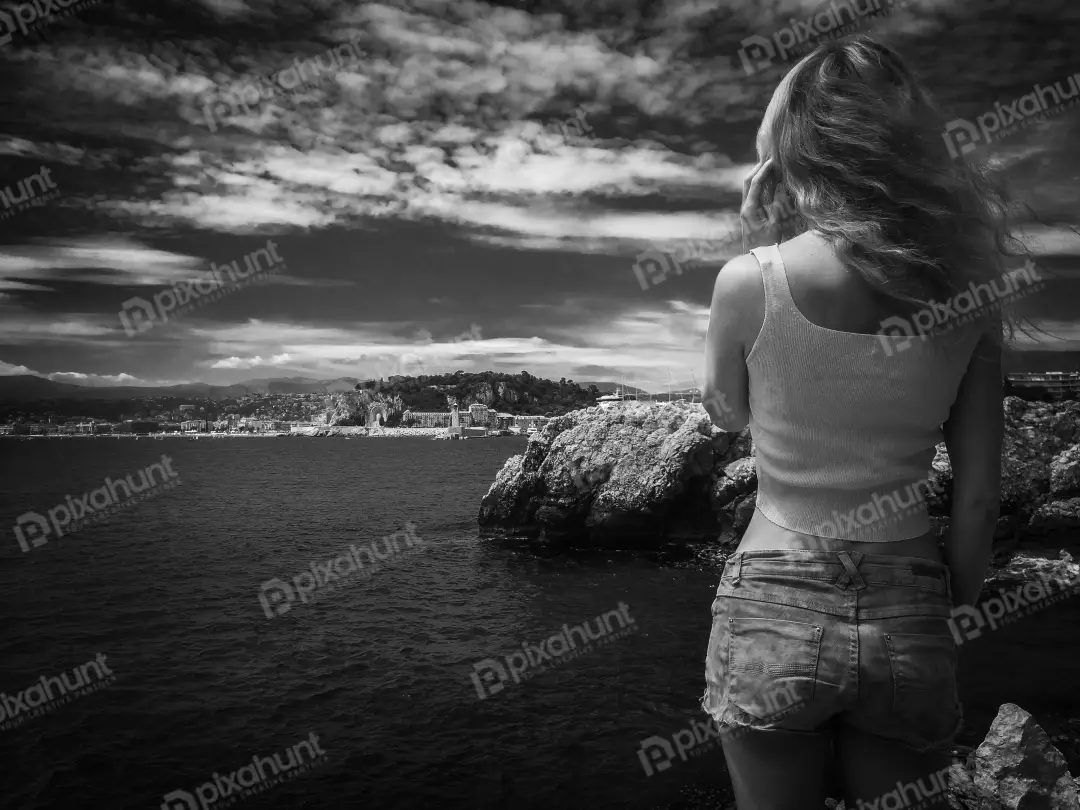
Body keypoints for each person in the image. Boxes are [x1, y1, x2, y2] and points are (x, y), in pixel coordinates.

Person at [698, 35, 1033, 809]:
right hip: (909, 595)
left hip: (772, 588)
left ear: (794, 147)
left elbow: (724, 416)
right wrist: (947, 606)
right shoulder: (970, 295)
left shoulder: (751, 280)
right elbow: (980, 492)